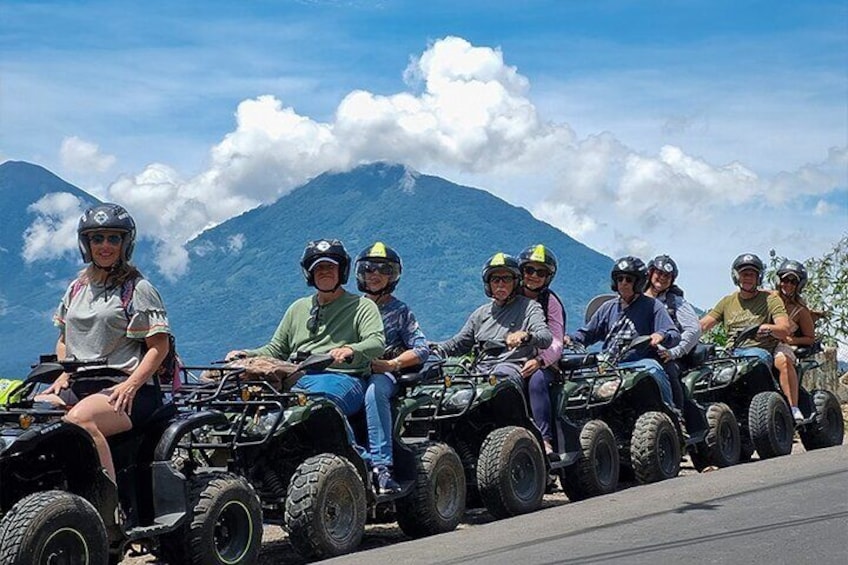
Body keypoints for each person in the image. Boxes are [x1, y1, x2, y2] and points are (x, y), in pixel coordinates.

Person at [226, 238, 386, 476]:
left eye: (330, 267)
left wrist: (351, 349)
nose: (324, 272)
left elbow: (377, 341)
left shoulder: (361, 306)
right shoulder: (298, 308)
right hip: (297, 376)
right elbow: (276, 348)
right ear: (310, 274)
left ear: (341, 270)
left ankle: (360, 467)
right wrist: (246, 355)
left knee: (320, 405)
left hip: (344, 377)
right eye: (319, 268)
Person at [36, 203, 170, 482]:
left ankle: (107, 504)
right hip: (82, 384)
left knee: (80, 420)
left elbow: (159, 347)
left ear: (125, 243)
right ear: (87, 244)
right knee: (30, 413)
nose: (105, 245)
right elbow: (64, 339)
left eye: (113, 238)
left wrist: (131, 384)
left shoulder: (138, 288)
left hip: (130, 390)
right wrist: (65, 371)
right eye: (97, 238)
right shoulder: (77, 288)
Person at [432, 252, 553, 435]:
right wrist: (432, 350)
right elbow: (458, 343)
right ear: (488, 284)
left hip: (509, 369)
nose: (500, 284)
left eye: (506, 279)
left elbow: (545, 337)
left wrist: (526, 335)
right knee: (442, 391)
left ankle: (518, 436)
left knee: (500, 381)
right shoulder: (480, 314)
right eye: (495, 280)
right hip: (479, 372)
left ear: (516, 281)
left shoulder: (529, 307)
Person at [355, 242, 430, 493]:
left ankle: (382, 467)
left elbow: (421, 349)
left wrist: (391, 363)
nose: (374, 275)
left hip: (384, 375)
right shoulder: (351, 308)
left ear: (392, 276)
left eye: (382, 270)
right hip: (350, 373)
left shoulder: (400, 311)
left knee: (374, 392)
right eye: (369, 269)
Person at [564, 256, 680, 410]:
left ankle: (670, 411)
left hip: (639, 363)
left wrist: (661, 335)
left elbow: (674, 333)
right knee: (576, 381)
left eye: (629, 279)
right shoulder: (608, 307)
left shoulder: (653, 306)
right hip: (609, 363)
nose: (623, 283)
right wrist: (569, 338)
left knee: (654, 368)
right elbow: (588, 333)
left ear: (638, 282)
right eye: (620, 279)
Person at [699, 253, 792, 406]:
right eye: (744, 274)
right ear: (736, 276)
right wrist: (683, 334)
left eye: (752, 274)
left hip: (756, 352)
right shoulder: (727, 301)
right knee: (702, 371)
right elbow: (703, 325)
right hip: (730, 353)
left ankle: (768, 405)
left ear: (759, 277)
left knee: (755, 361)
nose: (748, 278)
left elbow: (784, 328)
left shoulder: (770, 299)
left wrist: (767, 328)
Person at [517, 244, 565, 455]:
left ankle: (544, 439)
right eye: (529, 270)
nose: (534, 276)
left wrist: (540, 361)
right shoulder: (509, 295)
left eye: (541, 272)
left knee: (536, 380)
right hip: (511, 359)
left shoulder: (551, 302)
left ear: (548, 277)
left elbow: (556, 340)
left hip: (543, 362)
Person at [643, 254, 702, 410]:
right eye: (659, 273)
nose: (662, 278)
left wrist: (674, 352)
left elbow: (694, 329)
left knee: (669, 371)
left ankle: (678, 415)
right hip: (638, 353)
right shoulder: (636, 299)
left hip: (668, 354)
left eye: (667, 276)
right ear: (650, 273)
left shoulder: (675, 301)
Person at [771, 259, 816, 421]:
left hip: (783, 345)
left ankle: (793, 406)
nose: (787, 284)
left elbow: (810, 338)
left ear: (799, 284)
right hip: (761, 344)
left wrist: (789, 340)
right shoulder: (767, 298)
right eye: (785, 280)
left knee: (783, 360)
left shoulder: (800, 309)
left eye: (792, 281)